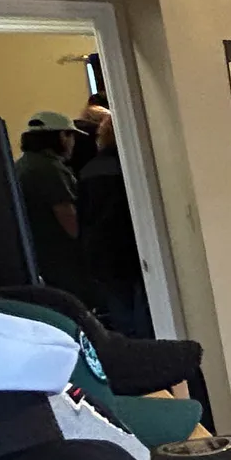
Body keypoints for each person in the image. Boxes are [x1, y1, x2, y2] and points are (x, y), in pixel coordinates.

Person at [77, 109, 152, 336]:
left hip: (100, 250)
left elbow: (83, 215)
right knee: (143, 305)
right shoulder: (131, 168)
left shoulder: (89, 170)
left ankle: (129, 349)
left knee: (120, 308)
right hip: (129, 245)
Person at [15, 111, 101, 305]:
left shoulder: (24, 164)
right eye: (72, 136)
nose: (73, 144)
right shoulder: (50, 170)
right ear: (62, 136)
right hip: (63, 260)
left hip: (43, 257)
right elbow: (71, 224)